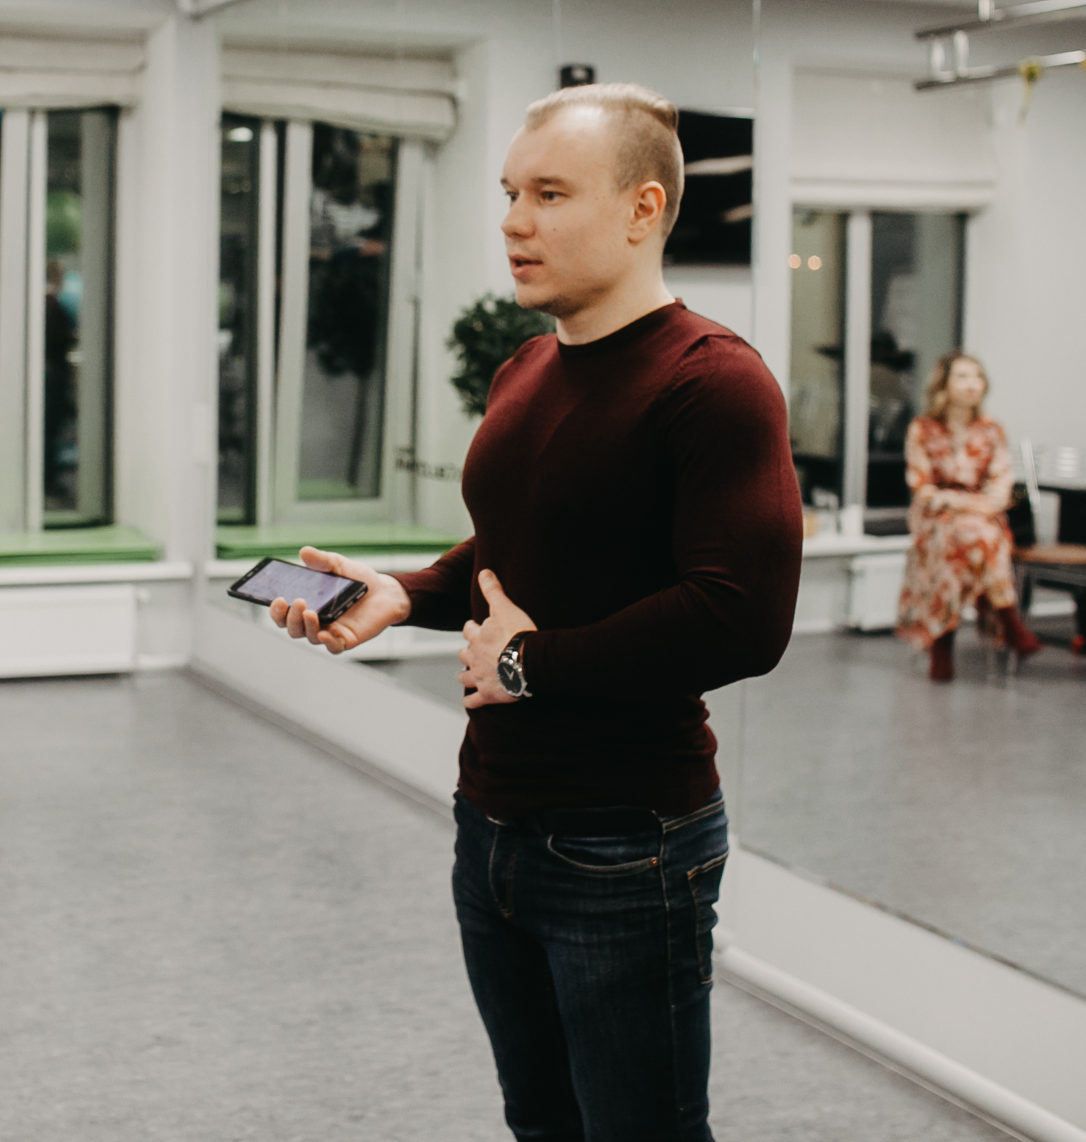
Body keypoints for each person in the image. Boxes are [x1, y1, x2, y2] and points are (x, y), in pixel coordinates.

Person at [260, 82, 804, 1141]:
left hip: (627, 841)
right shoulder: (526, 368)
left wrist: (529, 667)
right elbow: (518, 552)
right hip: (493, 825)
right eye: (510, 193)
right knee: (542, 1125)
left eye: (550, 194)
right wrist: (406, 593)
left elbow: (741, 615)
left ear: (644, 208)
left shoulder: (714, 381)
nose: (514, 221)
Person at [893, 350, 1044, 681]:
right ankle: (1009, 620)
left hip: (981, 513)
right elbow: (921, 485)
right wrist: (962, 503)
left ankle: (943, 641)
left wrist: (980, 506)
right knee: (969, 535)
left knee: (972, 535)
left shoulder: (992, 430)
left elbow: (1001, 483)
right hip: (936, 515)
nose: (972, 384)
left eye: (977, 376)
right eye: (962, 376)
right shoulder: (922, 428)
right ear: (943, 384)